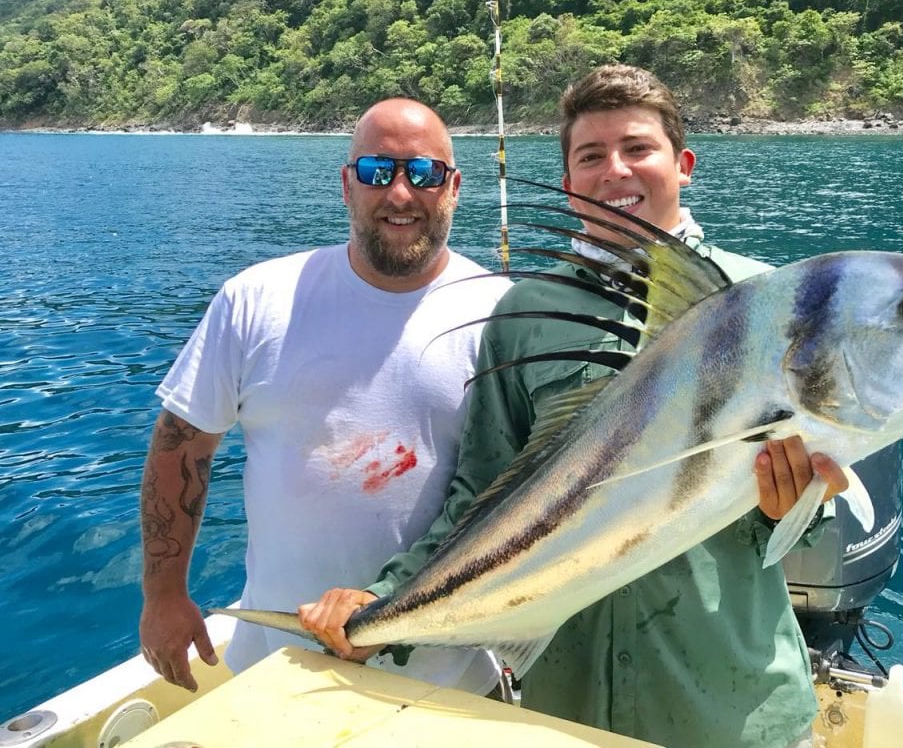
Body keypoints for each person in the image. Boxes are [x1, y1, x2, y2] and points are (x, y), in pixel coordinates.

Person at [298, 66, 849, 747]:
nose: (615, 170)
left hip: (734, 708)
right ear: (568, 184)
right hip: (567, 712)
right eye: (591, 156)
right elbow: (484, 495)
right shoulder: (525, 316)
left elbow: (808, 519)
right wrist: (382, 604)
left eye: (637, 148)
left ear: (683, 165)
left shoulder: (766, 302)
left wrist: (795, 504)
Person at [138, 97, 509, 696]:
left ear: (454, 187)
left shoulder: (502, 315)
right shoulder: (255, 300)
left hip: (450, 673)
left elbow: (506, 492)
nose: (399, 194)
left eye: (423, 173)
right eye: (375, 171)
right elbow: (182, 448)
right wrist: (163, 595)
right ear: (345, 184)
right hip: (280, 667)